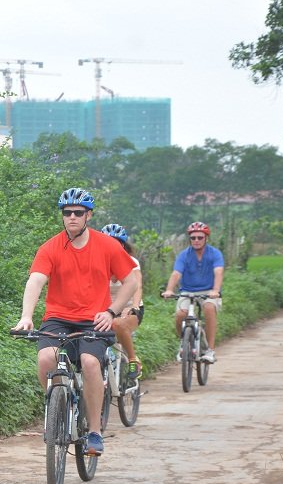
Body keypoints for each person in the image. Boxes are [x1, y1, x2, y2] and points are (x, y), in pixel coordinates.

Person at [12, 188, 139, 457]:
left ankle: (94, 431)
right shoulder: (50, 247)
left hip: (95, 320)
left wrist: (112, 312)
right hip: (58, 318)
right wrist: (26, 316)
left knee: (91, 363)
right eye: (67, 212)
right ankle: (55, 406)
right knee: (45, 359)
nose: (72, 217)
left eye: (78, 213)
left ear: (88, 215)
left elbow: (130, 281)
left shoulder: (107, 245)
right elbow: (35, 280)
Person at [162, 221, 224, 363]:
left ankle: (210, 350)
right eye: (193, 238)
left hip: (209, 291)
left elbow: (218, 272)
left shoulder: (215, 253)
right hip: (187, 291)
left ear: (206, 238)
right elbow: (176, 274)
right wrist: (169, 290)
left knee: (209, 308)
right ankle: (184, 343)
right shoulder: (184, 255)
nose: (196, 240)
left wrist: (216, 290)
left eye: (200, 237)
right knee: (180, 315)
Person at [100, 223, 144, 378]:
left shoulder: (131, 261)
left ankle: (133, 359)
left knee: (118, 324)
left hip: (129, 308)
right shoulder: (97, 261)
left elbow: (137, 286)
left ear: (122, 245)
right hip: (104, 309)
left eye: (115, 242)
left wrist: (134, 306)